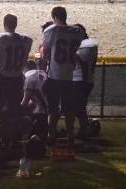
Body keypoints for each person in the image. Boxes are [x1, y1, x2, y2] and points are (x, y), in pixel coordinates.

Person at [41, 7, 85, 145]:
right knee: (69, 109)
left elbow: (45, 53)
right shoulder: (77, 31)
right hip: (69, 75)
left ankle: (51, 136)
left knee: (53, 109)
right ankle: (70, 136)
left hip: (54, 74)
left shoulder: (51, 30)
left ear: (54, 17)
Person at [0, 14, 33, 147]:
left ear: (4, 23)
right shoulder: (26, 40)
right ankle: (14, 139)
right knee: (15, 111)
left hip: (4, 79)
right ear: (16, 24)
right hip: (17, 79)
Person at [71, 24, 98, 140]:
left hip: (82, 80)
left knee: (79, 108)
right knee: (77, 107)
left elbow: (73, 57)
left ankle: (83, 131)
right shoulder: (88, 43)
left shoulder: (87, 45)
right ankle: (81, 130)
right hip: (82, 80)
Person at [21, 59, 48, 140]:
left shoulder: (28, 76)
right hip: (51, 107)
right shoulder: (42, 72)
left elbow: (25, 101)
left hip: (43, 111)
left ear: (25, 68)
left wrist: (17, 112)